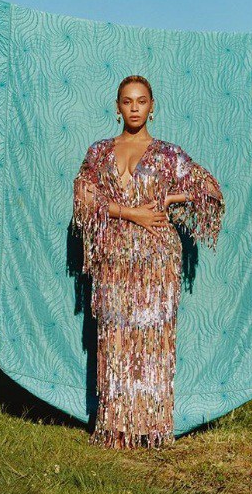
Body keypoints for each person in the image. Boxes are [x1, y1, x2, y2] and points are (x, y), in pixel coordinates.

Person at [72, 75, 225, 449]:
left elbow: (211, 192)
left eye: (141, 101)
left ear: (152, 107)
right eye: (127, 101)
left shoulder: (169, 155)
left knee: (151, 343)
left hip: (156, 262)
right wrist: (130, 212)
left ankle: (151, 429)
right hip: (113, 261)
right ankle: (115, 429)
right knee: (115, 340)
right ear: (117, 107)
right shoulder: (99, 152)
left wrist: (170, 200)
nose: (135, 108)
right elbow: (84, 199)